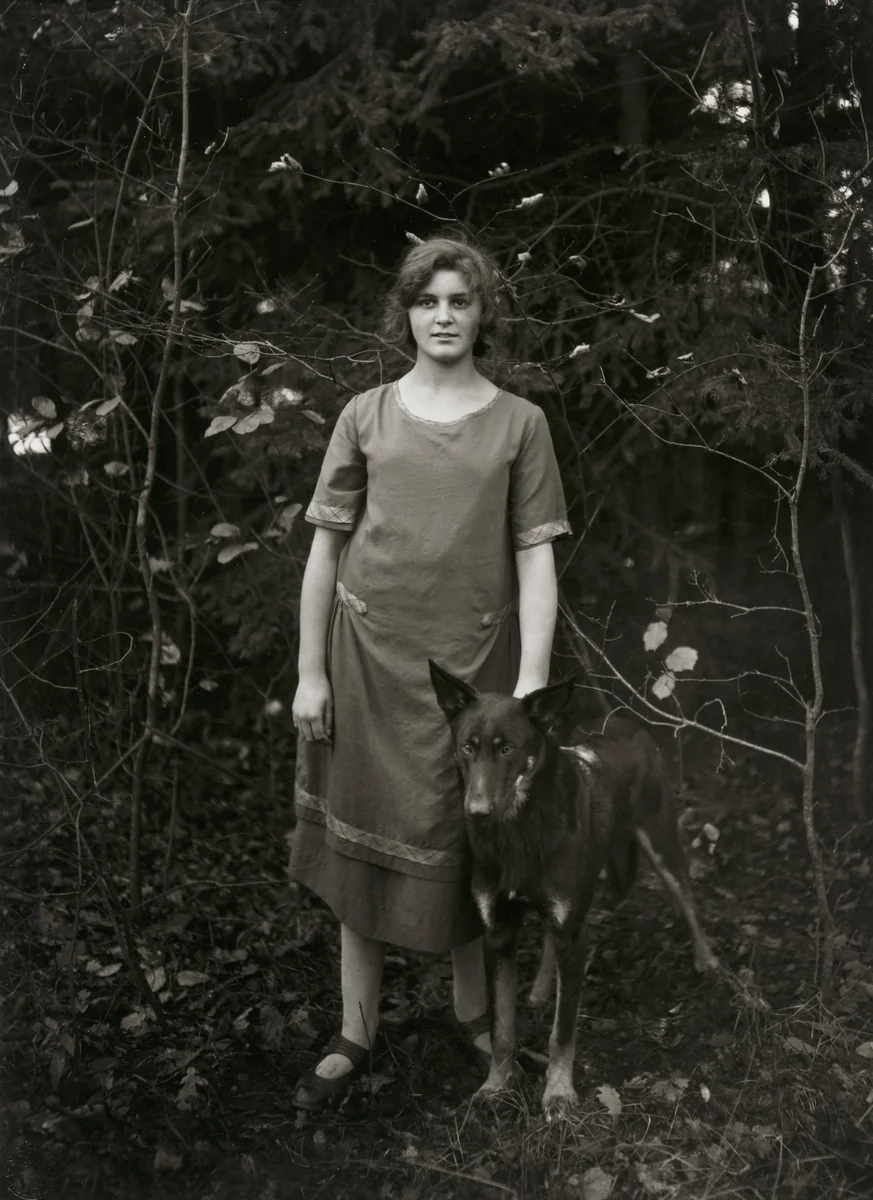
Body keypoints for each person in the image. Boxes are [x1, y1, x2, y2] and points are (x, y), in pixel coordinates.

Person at [288, 233, 571, 1109]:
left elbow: (534, 561)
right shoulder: (364, 415)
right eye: (427, 301)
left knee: (468, 844)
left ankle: (472, 1012)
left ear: (483, 313)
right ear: (404, 313)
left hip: (475, 679)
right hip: (366, 663)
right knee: (358, 842)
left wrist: (527, 681)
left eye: (460, 301)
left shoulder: (520, 423)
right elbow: (324, 552)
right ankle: (355, 1027)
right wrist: (310, 674)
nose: (443, 316)